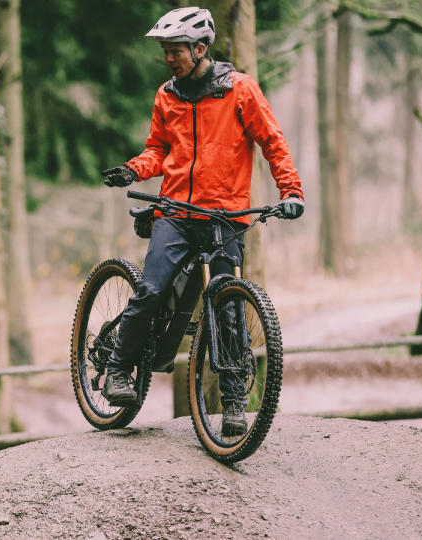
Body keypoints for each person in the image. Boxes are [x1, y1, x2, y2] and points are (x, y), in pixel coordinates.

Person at [100, 7, 304, 436]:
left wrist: (291, 192)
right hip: (175, 212)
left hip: (226, 215)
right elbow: (159, 150)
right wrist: (134, 170)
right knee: (152, 290)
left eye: (175, 50)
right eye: (165, 51)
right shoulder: (166, 95)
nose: (169, 58)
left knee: (228, 306)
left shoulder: (240, 90)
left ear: (200, 48)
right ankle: (118, 369)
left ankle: (233, 402)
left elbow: (273, 142)